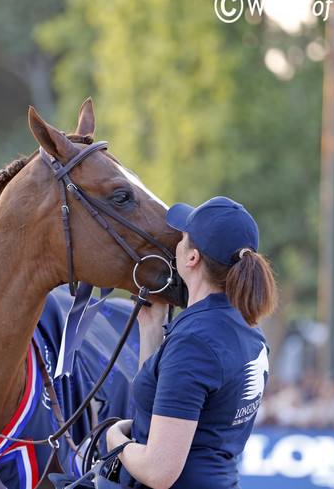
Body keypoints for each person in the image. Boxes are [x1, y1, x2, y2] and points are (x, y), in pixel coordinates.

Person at [106, 196, 277, 489]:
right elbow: (174, 413)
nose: (177, 244)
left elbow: (159, 471)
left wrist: (114, 439)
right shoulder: (246, 328)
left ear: (192, 258)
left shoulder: (195, 341)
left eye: (183, 238)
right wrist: (150, 329)